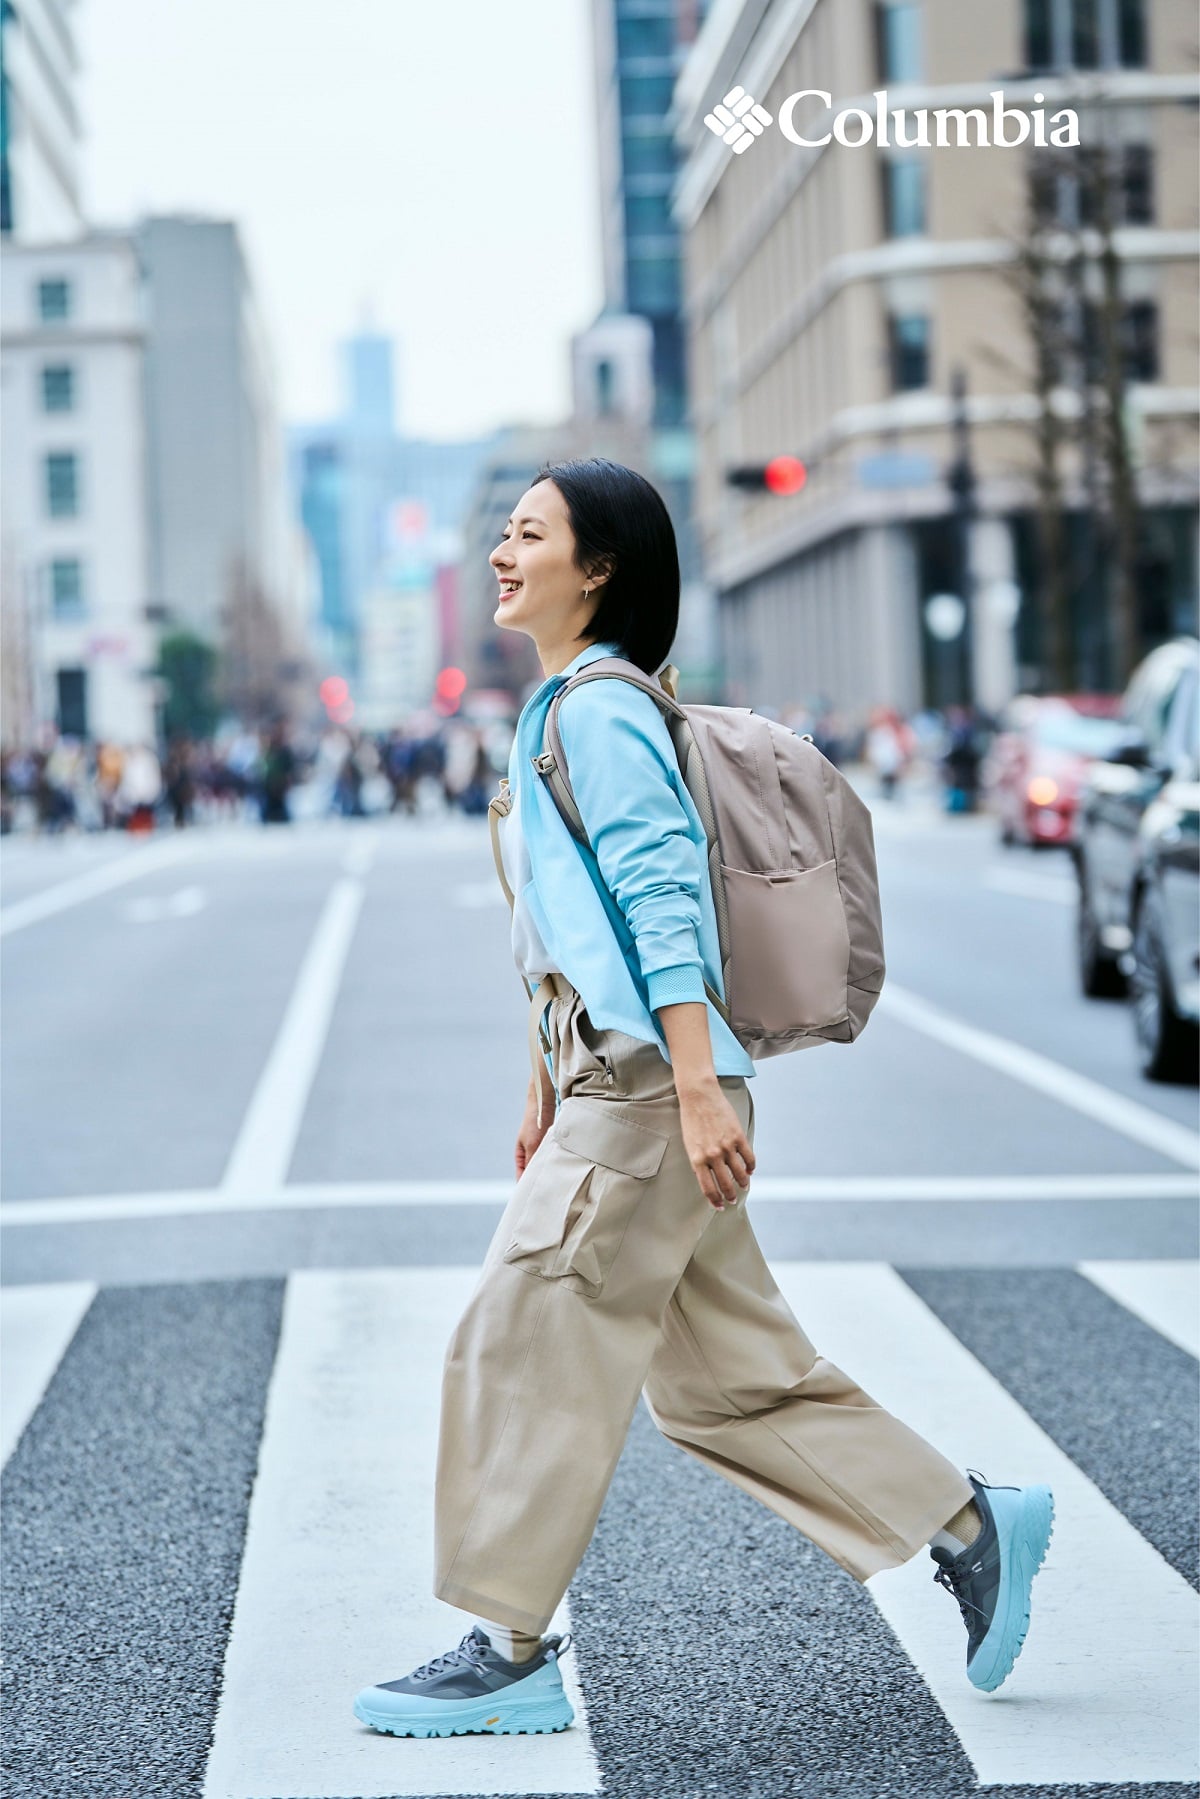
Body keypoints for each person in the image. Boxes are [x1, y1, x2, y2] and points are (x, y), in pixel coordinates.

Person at [352, 458, 1053, 1741]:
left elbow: (661, 891)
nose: (504, 555)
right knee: (727, 1380)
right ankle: (970, 1522)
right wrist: (537, 1081)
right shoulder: (565, 705)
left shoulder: (601, 708)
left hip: (645, 1089)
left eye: (528, 535)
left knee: (524, 1333)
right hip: (608, 1080)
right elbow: (563, 924)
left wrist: (689, 1076)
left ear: (600, 565)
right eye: (502, 535)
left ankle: (507, 1645)